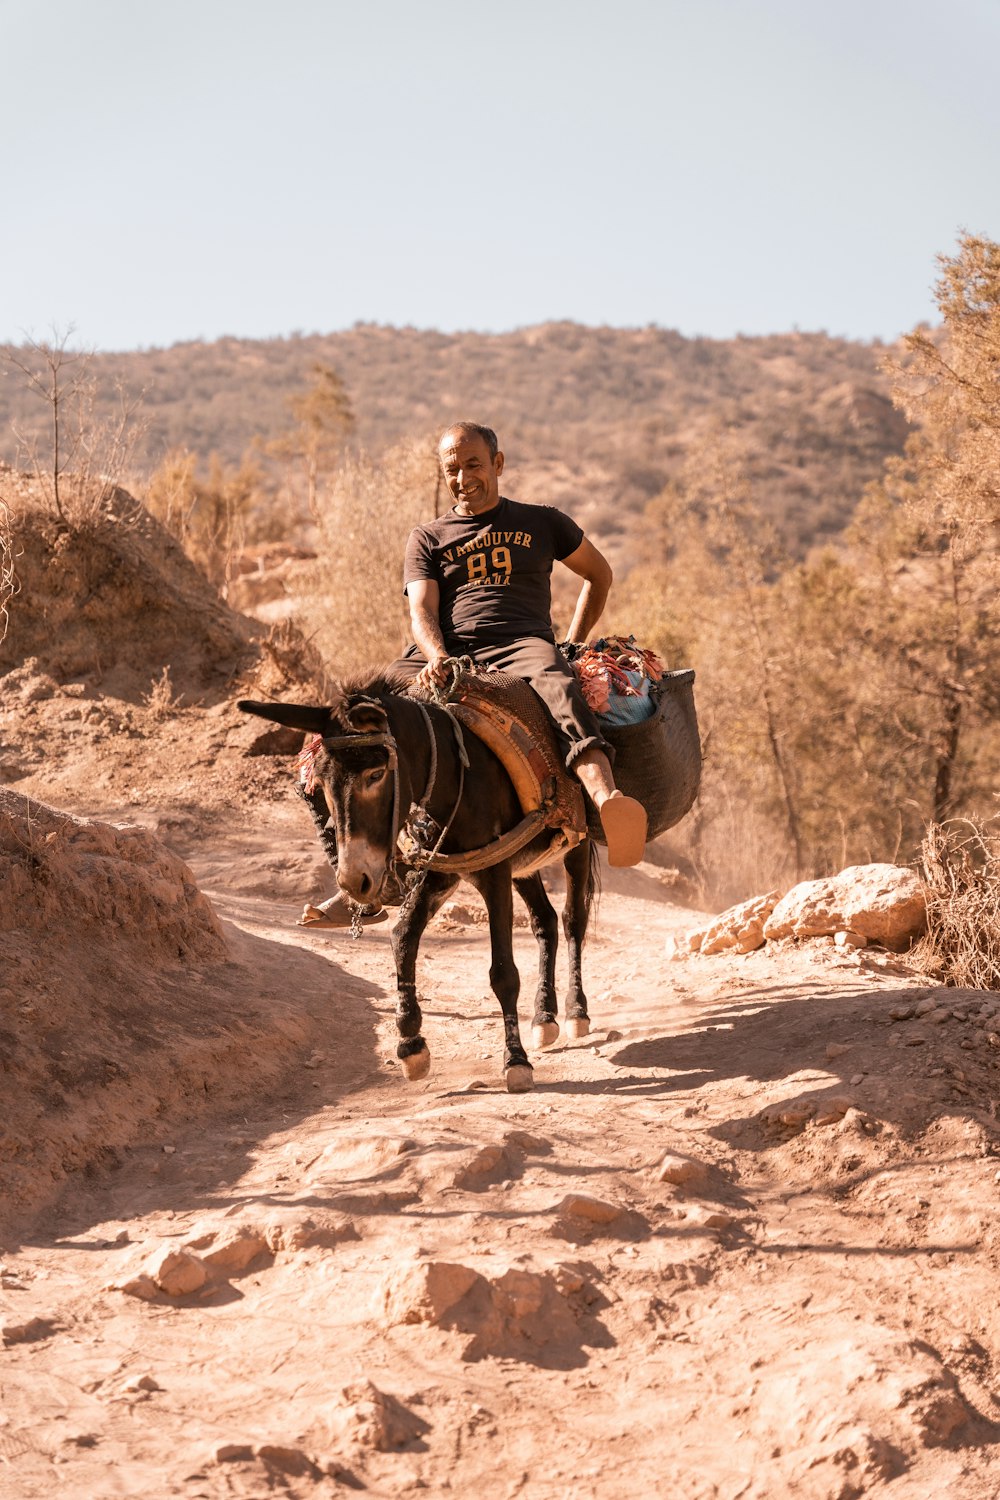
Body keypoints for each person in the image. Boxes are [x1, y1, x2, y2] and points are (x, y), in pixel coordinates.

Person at [299, 421, 647, 928]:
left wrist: (569, 641)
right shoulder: (428, 537)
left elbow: (600, 574)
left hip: (521, 645)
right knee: (335, 731)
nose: (463, 478)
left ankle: (605, 799)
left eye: (473, 465)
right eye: (452, 470)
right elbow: (421, 610)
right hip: (444, 649)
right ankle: (360, 887)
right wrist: (436, 653)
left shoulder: (542, 522)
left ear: (498, 464)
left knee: (561, 688)